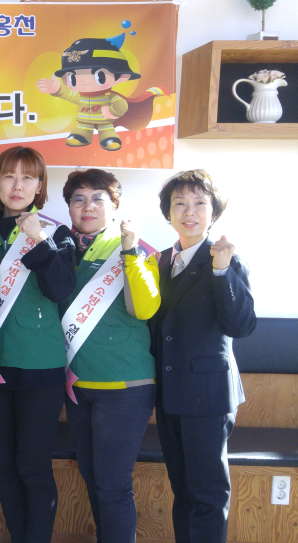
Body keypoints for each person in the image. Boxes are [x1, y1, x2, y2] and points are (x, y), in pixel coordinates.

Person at [0, 146, 76, 543]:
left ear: (39, 185)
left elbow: (60, 289)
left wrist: (39, 240)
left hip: (39, 367)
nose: (18, 185)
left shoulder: (57, 234)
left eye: (28, 177)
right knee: (3, 465)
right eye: (9, 176)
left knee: (32, 466)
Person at [150, 170, 256, 543]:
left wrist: (222, 271)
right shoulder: (161, 261)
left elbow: (241, 325)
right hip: (169, 394)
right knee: (183, 491)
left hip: (208, 396)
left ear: (214, 212)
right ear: (168, 213)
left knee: (208, 495)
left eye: (199, 203)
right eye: (179, 203)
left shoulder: (226, 260)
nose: (189, 211)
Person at [59, 169, 160, 543]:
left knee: (113, 485)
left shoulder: (135, 248)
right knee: (93, 479)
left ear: (114, 206)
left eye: (98, 198)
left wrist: (130, 251)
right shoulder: (62, 249)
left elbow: (145, 308)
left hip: (124, 388)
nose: (88, 206)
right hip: (78, 387)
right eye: (78, 198)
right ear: (69, 206)